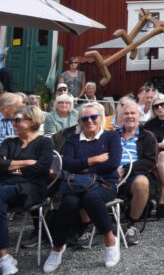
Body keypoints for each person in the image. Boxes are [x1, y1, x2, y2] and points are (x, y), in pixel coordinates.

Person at [43, 102, 122, 272]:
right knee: (69, 202)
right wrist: (93, 160)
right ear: (79, 122)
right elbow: (67, 164)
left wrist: (83, 167)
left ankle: (110, 240)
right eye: (85, 118)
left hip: (105, 182)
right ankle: (57, 247)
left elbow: (112, 164)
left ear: (101, 118)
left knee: (91, 198)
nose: (89, 121)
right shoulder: (73, 139)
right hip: (77, 183)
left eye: (93, 117)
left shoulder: (111, 136)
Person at [0, 105, 53, 275]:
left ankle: (5, 259)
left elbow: (42, 167)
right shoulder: (9, 142)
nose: (13, 123)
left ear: (32, 121)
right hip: (7, 187)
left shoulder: (45, 142)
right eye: (12, 120)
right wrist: (26, 163)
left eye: (17, 120)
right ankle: (4, 259)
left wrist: (11, 167)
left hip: (31, 189)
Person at [116, 99, 156, 245]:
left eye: (133, 113)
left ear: (139, 116)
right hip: (111, 175)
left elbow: (149, 161)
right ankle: (88, 227)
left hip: (133, 176)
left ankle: (131, 225)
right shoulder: (112, 135)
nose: (130, 116)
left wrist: (126, 169)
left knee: (142, 183)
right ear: (121, 117)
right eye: (126, 113)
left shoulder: (147, 136)